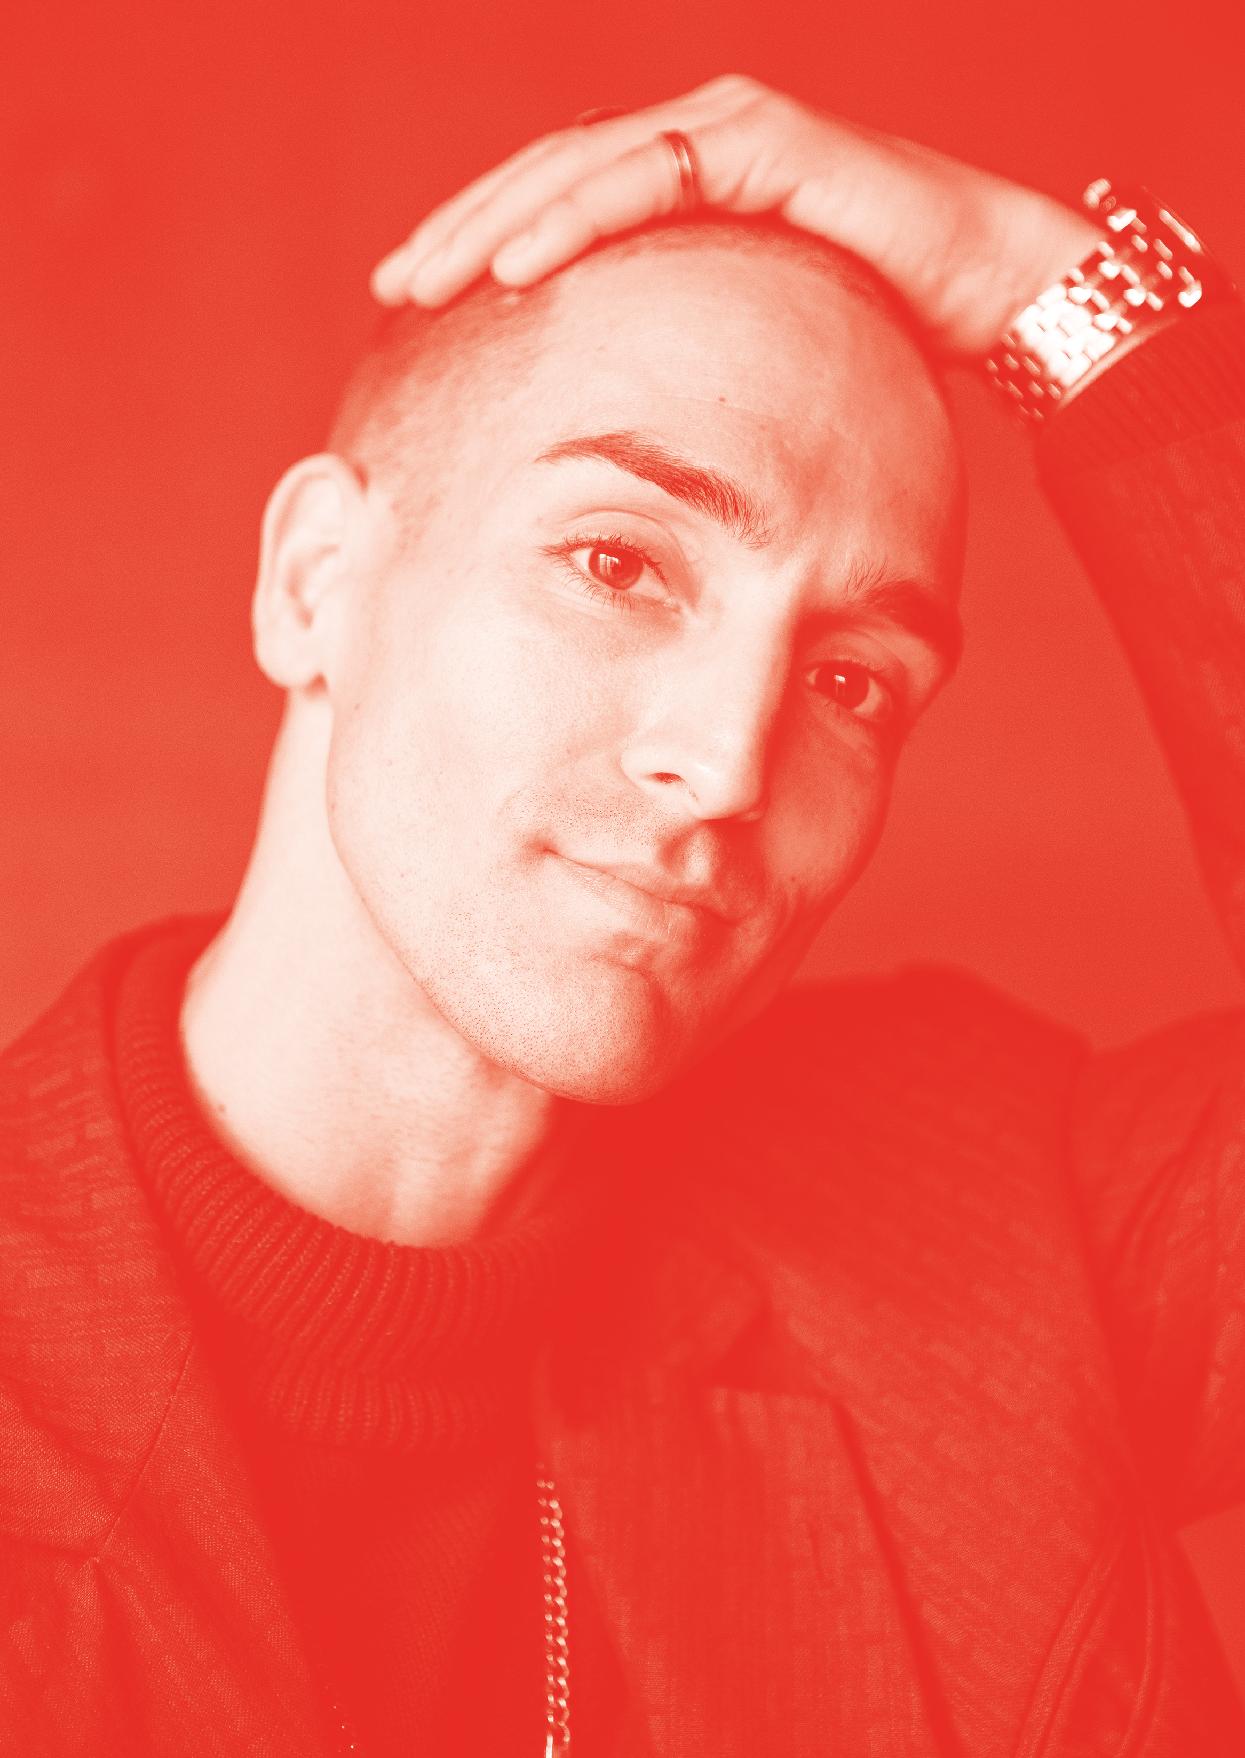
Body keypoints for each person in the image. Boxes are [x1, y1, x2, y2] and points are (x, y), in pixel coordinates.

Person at [2, 73, 1243, 1756]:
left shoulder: (985, 1243)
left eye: (851, 680)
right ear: (315, 582)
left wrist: (1049, 290)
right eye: (618, 562)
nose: (726, 762)